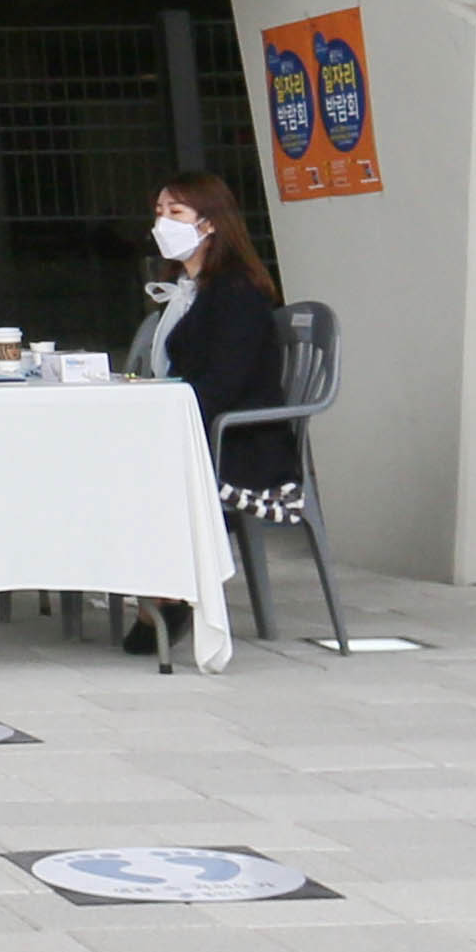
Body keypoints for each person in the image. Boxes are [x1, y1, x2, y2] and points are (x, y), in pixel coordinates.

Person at [120, 172, 302, 654]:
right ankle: (148, 586)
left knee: (135, 470)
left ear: (210, 224)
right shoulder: (186, 289)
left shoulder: (235, 294)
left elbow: (223, 384)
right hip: (195, 428)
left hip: (237, 443)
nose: (163, 222)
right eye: (159, 212)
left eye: (176, 212)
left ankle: (167, 592)